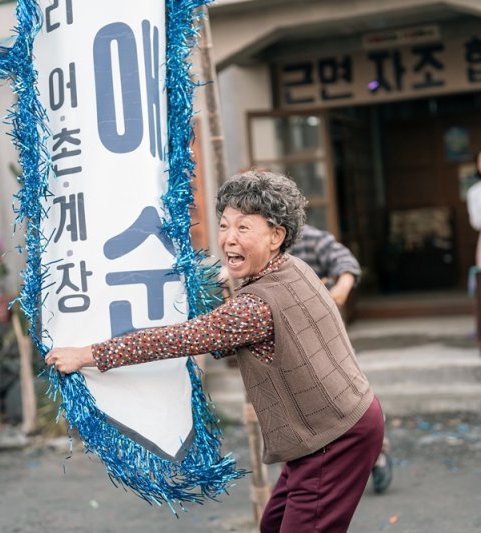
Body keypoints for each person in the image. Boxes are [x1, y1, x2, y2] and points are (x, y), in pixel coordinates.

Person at [47, 170, 385, 532]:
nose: (228, 239)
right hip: (338, 421)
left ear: (276, 236)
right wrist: (233, 275)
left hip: (333, 438)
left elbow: (181, 339)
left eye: (244, 228)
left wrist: (89, 355)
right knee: (273, 525)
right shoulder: (293, 267)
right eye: (224, 226)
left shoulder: (256, 306)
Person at [289, 225, 392, 494]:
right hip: (288, 350)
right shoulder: (251, 244)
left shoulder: (309, 238)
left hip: (326, 340)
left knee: (352, 402)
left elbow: (345, 261)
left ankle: (378, 456)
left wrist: (341, 289)